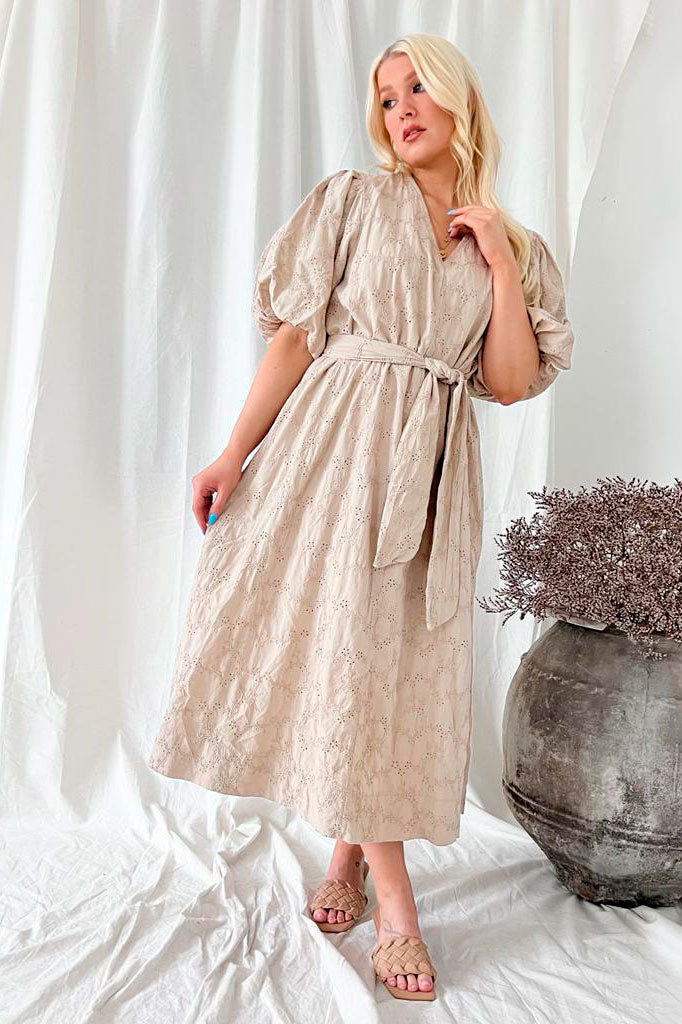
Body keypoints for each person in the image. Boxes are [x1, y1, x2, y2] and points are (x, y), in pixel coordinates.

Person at [147, 32, 575, 1002]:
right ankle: (397, 907)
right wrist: (232, 451)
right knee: (347, 653)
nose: (402, 108)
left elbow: (509, 381)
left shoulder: (514, 247)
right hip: (333, 450)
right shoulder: (352, 200)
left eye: (417, 87)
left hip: (430, 471)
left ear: (459, 98)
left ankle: (343, 854)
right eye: (386, 98)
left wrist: (499, 263)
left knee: (387, 665)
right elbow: (296, 340)